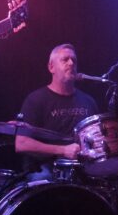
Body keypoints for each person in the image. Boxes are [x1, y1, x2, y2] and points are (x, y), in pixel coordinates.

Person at [16, 43, 100, 179]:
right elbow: (21, 144)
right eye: (65, 59)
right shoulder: (35, 99)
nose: (71, 63)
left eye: (74, 60)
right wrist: (63, 150)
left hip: (83, 170)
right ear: (51, 67)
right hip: (46, 168)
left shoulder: (89, 101)